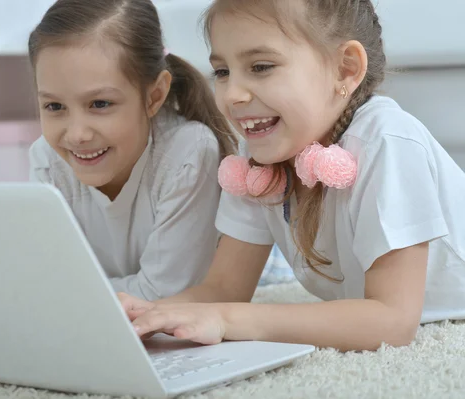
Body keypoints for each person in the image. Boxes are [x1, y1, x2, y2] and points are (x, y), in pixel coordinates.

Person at [120, 0, 465, 352]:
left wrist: (228, 319)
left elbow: (393, 322)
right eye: (223, 72)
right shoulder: (257, 156)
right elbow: (223, 290)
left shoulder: (387, 141)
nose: (234, 95)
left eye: (261, 66)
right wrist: (145, 314)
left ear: (345, 69)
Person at [27, 0, 237, 301]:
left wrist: (63, 294)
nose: (77, 134)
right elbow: (41, 281)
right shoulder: (46, 160)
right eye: (54, 106)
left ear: (154, 96)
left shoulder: (187, 153)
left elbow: (161, 294)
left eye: (100, 104)